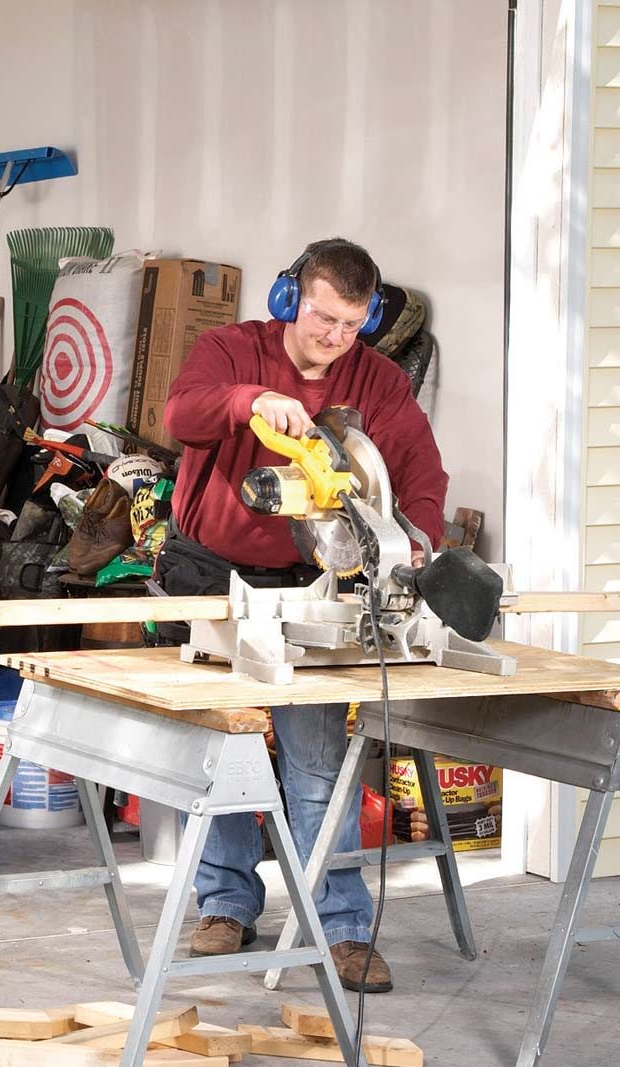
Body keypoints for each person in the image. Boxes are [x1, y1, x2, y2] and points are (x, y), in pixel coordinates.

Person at [156, 237, 448, 993]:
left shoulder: (377, 380)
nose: (334, 338)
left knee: (319, 762)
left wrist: (412, 538)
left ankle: (342, 924)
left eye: (351, 325)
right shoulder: (229, 350)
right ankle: (225, 903)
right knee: (223, 749)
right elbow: (181, 414)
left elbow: (419, 466)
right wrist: (248, 401)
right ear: (290, 299)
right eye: (323, 319)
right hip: (215, 572)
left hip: (314, 582)